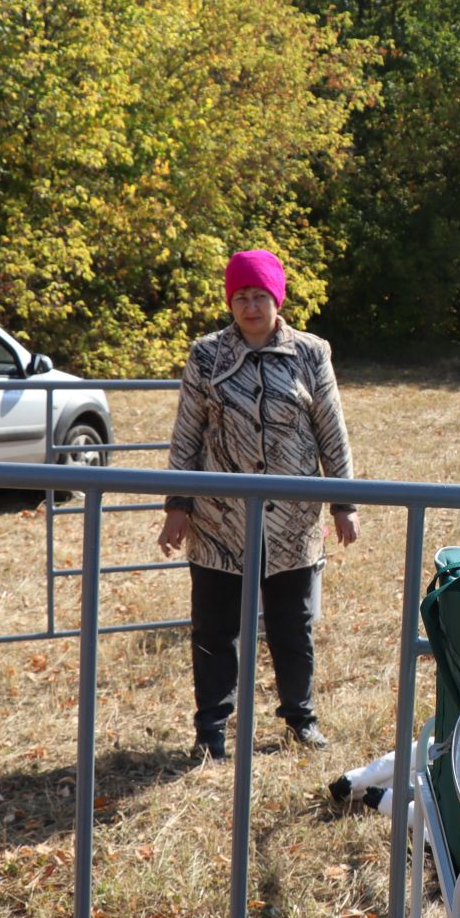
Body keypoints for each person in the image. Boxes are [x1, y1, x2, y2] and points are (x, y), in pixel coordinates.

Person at [158, 249, 358, 757]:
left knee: (293, 626)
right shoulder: (207, 355)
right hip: (219, 521)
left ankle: (300, 718)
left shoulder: (311, 353)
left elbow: (331, 430)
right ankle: (211, 731)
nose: (249, 306)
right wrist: (177, 505)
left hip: (293, 521)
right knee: (215, 630)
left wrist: (344, 503)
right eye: (240, 297)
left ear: (277, 298)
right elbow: (187, 433)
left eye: (259, 296)